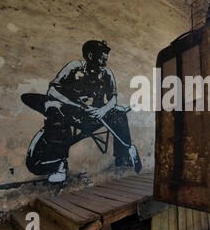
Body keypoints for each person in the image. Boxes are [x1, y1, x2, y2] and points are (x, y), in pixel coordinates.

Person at [26, 40, 140, 183]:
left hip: (95, 116)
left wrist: (102, 110)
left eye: (106, 59)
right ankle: (58, 165)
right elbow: (53, 90)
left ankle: (124, 156)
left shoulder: (107, 74)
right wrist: (77, 105)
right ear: (91, 56)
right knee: (55, 109)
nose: (105, 62)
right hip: (72, 112)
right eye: (102, 58)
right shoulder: (74, 67)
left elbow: (113, 99)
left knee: (119, 114)